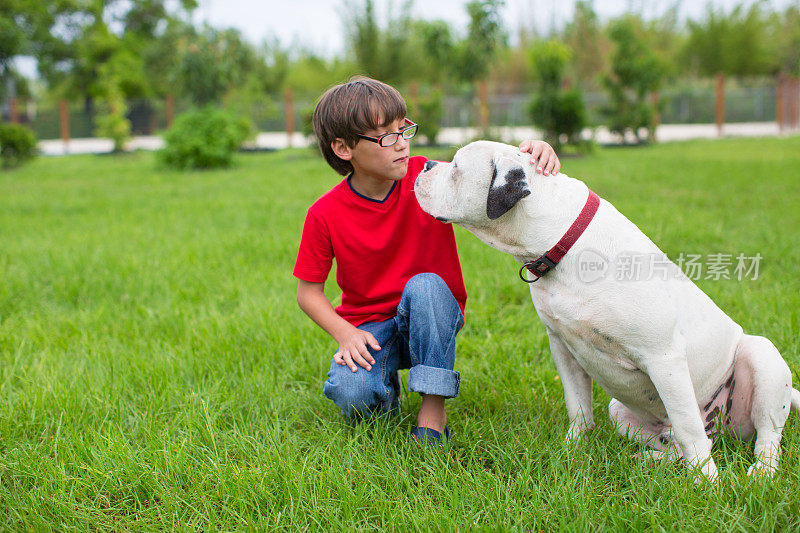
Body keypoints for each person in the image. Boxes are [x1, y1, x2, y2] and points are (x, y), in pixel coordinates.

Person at [293, 76, 561, 445]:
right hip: (369, 328)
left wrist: (533, 152)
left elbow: (484, 175)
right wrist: (346, 334)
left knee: (425, 286)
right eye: (386, 136)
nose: (402, 144)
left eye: (403, 129)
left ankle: (433, 408)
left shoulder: (430, 177)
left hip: (432, 313)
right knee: (353, 396)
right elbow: (308, 293)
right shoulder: (323, 214)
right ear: (343, 148)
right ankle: (384, 393)